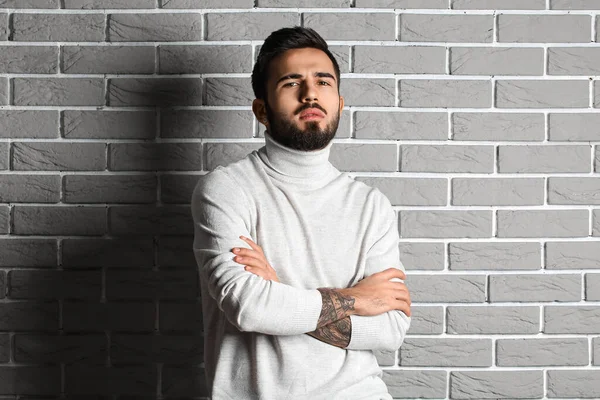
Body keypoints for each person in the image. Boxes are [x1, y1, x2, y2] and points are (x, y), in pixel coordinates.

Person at [191, 26, 412, 399]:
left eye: (323, 81)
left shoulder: (370, 205)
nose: (310, 93)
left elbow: (390, 329)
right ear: (261, 110)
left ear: (339, 103)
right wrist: (357, 299)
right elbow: (249, 307)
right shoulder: (227, 189)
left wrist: (278, 293)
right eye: (292, 83)